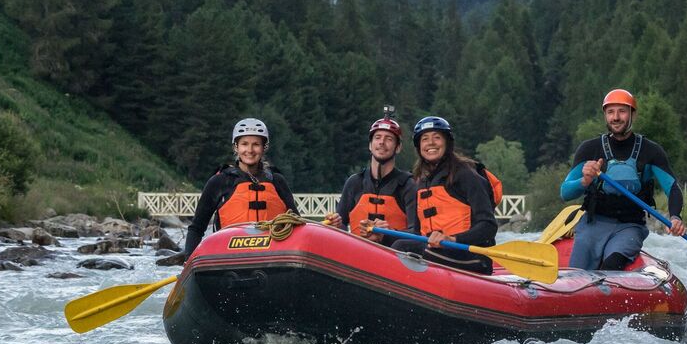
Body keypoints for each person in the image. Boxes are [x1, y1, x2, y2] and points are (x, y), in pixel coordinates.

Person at [560, 89, 686, 270]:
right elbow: (565, 192)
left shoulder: (651, 151)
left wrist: (675, 217)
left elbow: (673, 188)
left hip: (630, 227)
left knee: (610, 267)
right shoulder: (589, 149)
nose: (616, 117)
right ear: (605, 116)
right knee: (576, 273)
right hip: (592, 225)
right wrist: (585, 181)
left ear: (632, 114)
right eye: (610, 112)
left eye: (622, 111)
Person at [388, 116, 498, 274]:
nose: (430, 143)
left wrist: (452, 239)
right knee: (394, 243)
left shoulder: (466, 175)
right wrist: (384, 233)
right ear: (419, 146)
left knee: (402, 248)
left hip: (471, 258)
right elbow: (418, 234)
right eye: (425, 139)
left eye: (437, 137)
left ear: (447, 142)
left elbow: (488, 226)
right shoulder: (422, 181)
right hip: (437, 252)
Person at [182, 118, 299, 256]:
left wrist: (329, 225)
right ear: (236, 147)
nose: (249, 150)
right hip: (230, 256)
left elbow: (296, 223)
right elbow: (197, 228)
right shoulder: (220, 181)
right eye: (244, 144)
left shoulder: (277, 181)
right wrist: (187, 262)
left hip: (272, 255)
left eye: (256, 144)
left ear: (264, 147)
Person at [322, 111, 417, 245]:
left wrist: (389, 232)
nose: (382, 142)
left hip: (395, 256)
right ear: (370, 145)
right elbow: (342, 224)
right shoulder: (354, 182)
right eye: (377, 137)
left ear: (398, 147)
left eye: (389, 139)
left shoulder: (408, 185)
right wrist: (335, 225)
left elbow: (417, 232)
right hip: (357, 254)